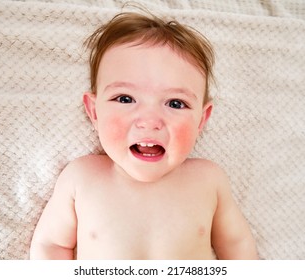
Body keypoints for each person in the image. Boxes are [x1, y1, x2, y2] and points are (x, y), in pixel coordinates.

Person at [30, 10, 258, 260]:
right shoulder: (82, 178)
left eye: (175, 103)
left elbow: (236, 244)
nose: (149, 122)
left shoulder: (208, 180)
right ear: (94, 111)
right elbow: (51, 245)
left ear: (201, 120)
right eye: (125, 99)